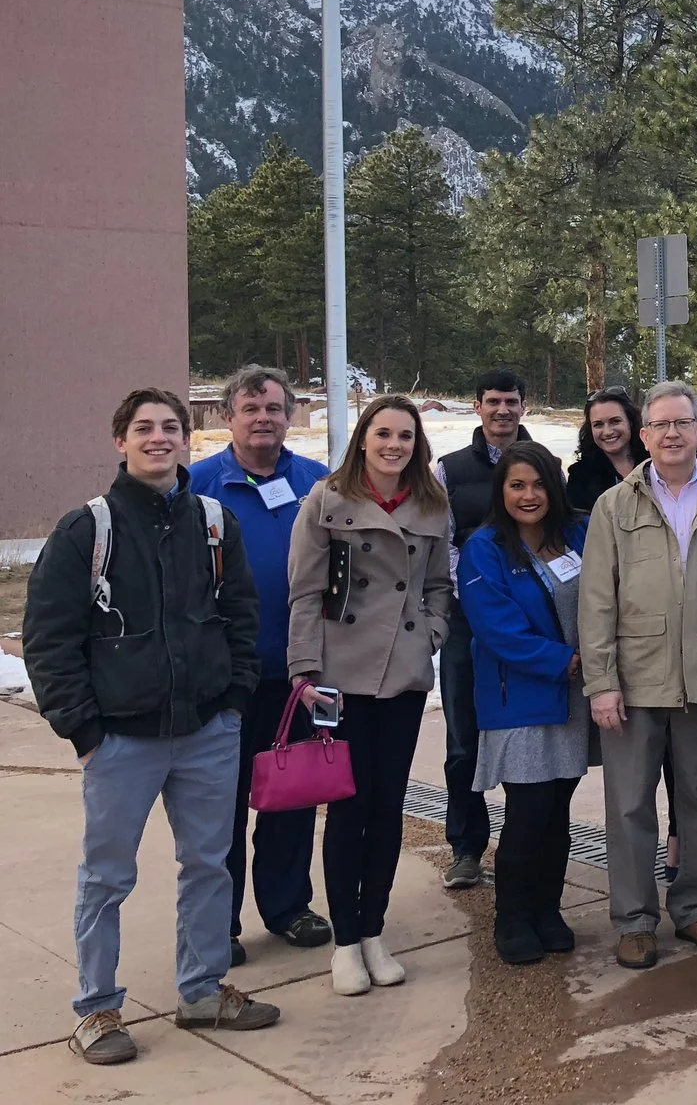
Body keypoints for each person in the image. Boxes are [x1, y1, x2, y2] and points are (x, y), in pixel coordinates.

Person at [24, 389, 282, 1065]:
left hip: (206, 731)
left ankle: (200, 991)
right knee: (107, 877)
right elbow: (49, 639)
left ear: (187, 439)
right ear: (121, 441)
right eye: (144, 428)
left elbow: (241, 616)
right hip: (120, 740)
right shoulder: (89, 530)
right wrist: (82, 731)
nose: (159, 438)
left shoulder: (214, 522)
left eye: (171, 427)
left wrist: (233, 702)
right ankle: (98, 1009)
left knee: (207, 864)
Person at [581, 380, 697, 968]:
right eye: (660, 425)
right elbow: (597, 601)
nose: (671, 434)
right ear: (644, 435)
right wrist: (602, 682)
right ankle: (636, 919)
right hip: (636, 683)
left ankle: (695, 908)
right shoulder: (617, 505)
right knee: (630, 805)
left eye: (682, 423)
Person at [286, 393, 453, 995]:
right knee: (347, 808)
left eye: (405, 437)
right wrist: (304, 670)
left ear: (417, 445)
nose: (393, 446)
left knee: (388, 808)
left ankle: (375, 929)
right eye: (383, 434)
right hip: (335, 677)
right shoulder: (328, 500)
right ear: (363, 438)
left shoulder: (433, 504)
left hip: (403, 678)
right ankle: (345, 942)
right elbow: (304, 593)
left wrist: (429, 635)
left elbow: (439, 586)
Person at [188, 365, 333, 966]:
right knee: (219, 806)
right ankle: (219, 923)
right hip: (225, 678)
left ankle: (288, 906)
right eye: (251, 409)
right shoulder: (196, 486)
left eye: (274, 409)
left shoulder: (318, 482)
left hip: (300, 675)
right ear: (229, 417)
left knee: (291, 798)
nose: (264, 419)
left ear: (289, 414)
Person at [458, 443, 591, 966]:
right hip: (521, 697)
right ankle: (511, 916)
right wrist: (567, 661)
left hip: (572, 699)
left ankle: (548, 910)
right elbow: (496, 628)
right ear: (501, 491)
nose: (529, 495)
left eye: (538, 484)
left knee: (559, 808)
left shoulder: (576, 535)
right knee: (528, 812)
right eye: (517, 485)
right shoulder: (485, 548)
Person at [434, 367, 532, 892]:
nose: (502, 410)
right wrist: (481, 592)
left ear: (524, 405)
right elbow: (442, 542)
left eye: (510, 401)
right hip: (466, 624)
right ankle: (467, 847)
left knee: (524, 739)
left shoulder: (545, 466)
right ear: (476, 407)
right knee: (463, 743)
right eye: (492, 401)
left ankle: (522, 844)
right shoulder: (448, 470)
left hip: (528, 626)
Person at [566, 387, 647, 514]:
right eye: (598, 424)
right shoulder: (580, 477)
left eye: (615, 421)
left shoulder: (656, 465)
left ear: (630, 422)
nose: (607, 431)